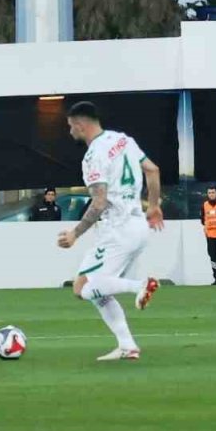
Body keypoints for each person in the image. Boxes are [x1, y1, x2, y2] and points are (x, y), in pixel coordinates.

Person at [55, 101, 162, 362]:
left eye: (71, 127)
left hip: (118, 230)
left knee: (85, 288)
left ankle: (140, 286)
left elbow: (100, 202)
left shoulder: (93, 157)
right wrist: (155, 206)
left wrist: (75, 233)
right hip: (139, 225)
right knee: (92, 289)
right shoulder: (123, 139)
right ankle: (127, 345)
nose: (70, 132)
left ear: (80, 125)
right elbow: (152, 169)